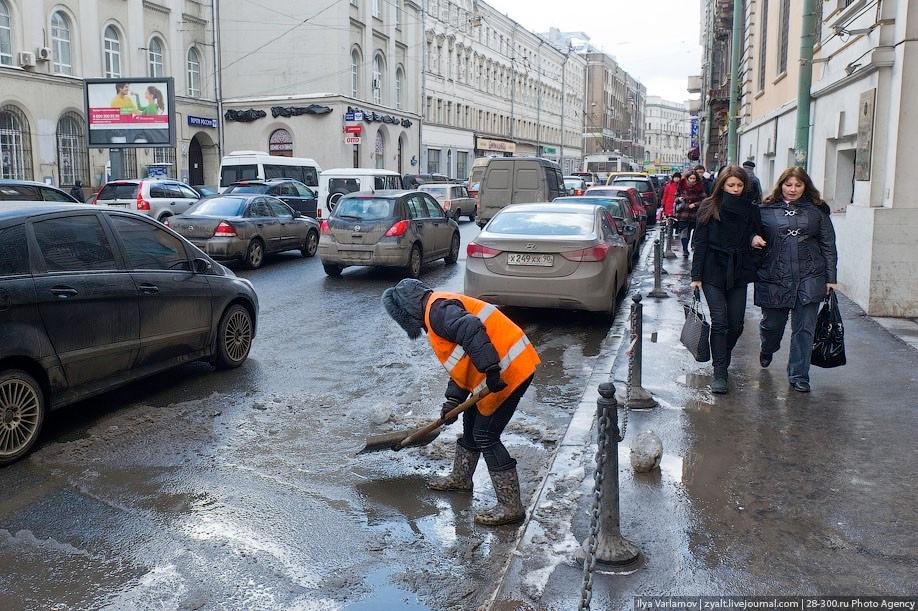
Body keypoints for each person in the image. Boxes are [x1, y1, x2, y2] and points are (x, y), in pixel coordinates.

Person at [382, 279, 540, 526]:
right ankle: (461, 479)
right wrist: (452, 402)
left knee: (486, 435)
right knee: (471, 422)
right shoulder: (436, 309)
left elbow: (471, 327)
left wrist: (490, 369)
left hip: (510, 368)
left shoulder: (437, 312)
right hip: (499, 369)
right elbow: (462, 361)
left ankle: (511, 506)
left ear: (407, 314)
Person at [755, 167, 838, 393]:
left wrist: (831, 278)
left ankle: (799, 375)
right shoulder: (765, 209)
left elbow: (828, 245)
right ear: (781, 184)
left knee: (804, 329)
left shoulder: (817, 211)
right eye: (788, 184)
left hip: (810, 275)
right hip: (774, 275)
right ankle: (767, 347)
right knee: (772, 325)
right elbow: (749, 234)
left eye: (798, 185)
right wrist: (753, 239)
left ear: (805, 187)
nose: (792, 190)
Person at [690, 166, 766, 394]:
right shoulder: (709, 206)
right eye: (730, 185)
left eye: (739, 185)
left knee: (736, 324)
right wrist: (696, 276)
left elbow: (755, 231)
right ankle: (720, 371)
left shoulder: (750, 208)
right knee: (720, 321)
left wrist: (754, 238)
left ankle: (721, 351)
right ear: (722, 184)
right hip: (713, 269)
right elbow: (700, 243)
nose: (735, 189)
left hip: (739, 270)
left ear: (745, 186)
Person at [675, 170, 705, 258]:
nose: (692, 180)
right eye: (690, 178)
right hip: (683, 214)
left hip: (695, 214)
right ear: (687, 178)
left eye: (694, 178)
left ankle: (694, 245)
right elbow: (675, 197)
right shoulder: (681, 186)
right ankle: (685, 249)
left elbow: (704, 200)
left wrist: (695, 204)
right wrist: (679, 199)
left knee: (696, 232)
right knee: (684, 233)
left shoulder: (699, 187)